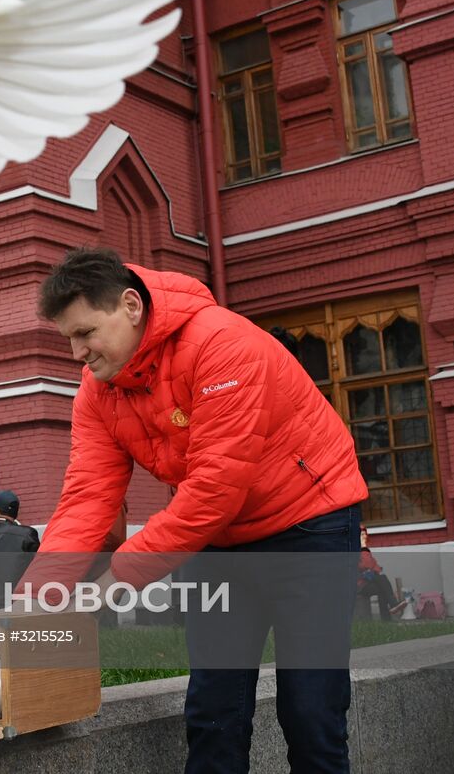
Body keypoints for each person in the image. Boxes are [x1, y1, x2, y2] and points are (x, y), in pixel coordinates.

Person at [27, 247, 368, 773]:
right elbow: (86, 497)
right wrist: (37, 599)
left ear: (131, 306)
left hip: (309, 524)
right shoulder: (97, 392)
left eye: (86, 332)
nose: (78, 353)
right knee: (213, 709)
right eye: (69, 338)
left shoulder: (222, 343)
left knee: (310, 707)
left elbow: (216, 486)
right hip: (221, 538)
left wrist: (112, 581)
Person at [356, 525, 405, 621]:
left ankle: (387, 618)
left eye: (365, 534)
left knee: (381, 587)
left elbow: (376, 567)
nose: (364, 536)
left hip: (369, 582)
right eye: (362, 535)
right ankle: (392, 605)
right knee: (382, 579)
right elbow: (367, 565)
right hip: (359, 585)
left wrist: (371, 569)